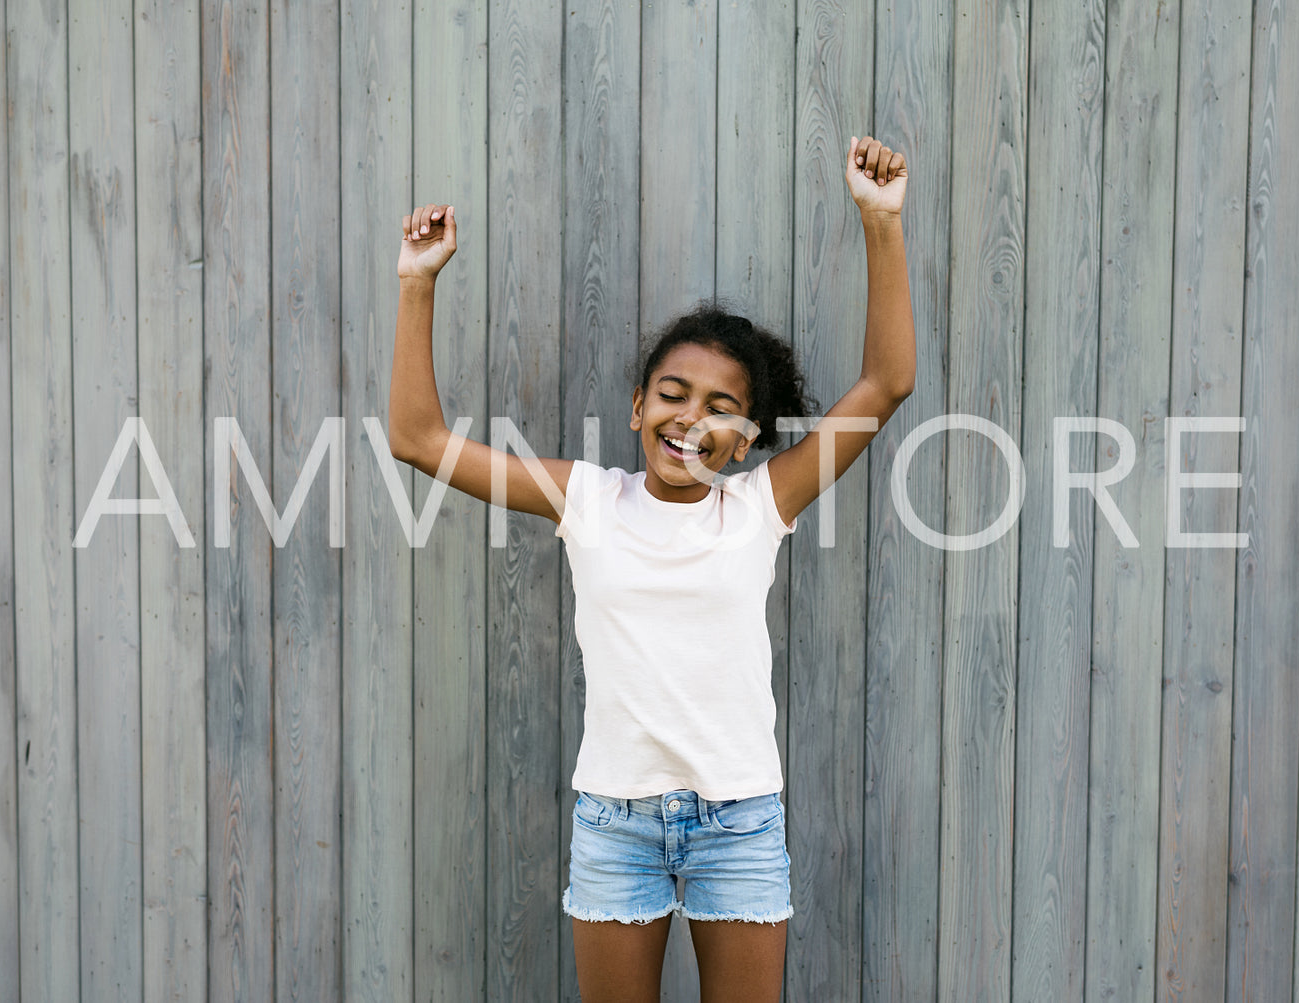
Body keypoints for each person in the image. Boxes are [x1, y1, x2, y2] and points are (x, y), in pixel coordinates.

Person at [389, 135, 913, 1002]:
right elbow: (418, 440)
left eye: (721, 408)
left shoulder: (757, 507)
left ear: (746, 436)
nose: (690, 421)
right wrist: (418, 281)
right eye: (672, 393)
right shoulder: (587, 500)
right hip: (615, 822)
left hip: (738, 822)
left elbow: (886, 383)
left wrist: (879, 221)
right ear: (638, 405)